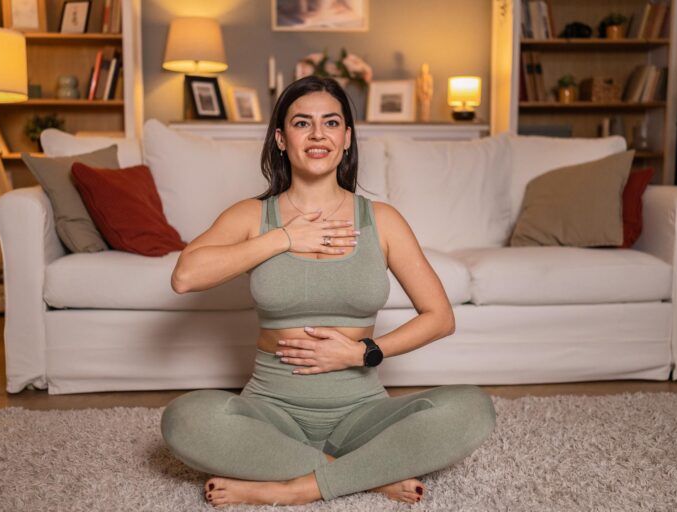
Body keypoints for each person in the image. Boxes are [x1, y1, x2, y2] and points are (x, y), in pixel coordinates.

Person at [161, 76, 496, 507]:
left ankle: (296, 486)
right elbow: (185, 276)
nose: (318, 134)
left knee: (472, 408)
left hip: (362, 413)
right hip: (271, 411)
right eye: (302, 123)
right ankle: (365, 473)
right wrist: (283, 238)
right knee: (184, 420)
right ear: (281, 139)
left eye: (331, 123)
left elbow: (440, 318)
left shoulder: (382, 220)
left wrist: (362, 353)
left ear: (347, 138)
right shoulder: (252, 216)